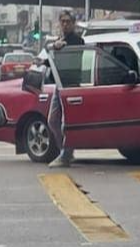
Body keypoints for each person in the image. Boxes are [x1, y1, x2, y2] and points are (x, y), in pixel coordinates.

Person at [48, 10, 85, 168]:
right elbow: (48, 52)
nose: (65, 24)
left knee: (66, 123)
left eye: (68, 21)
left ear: (73, 24)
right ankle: (64, 150)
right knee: (52, 120)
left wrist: (61, 47)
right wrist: (53, 46)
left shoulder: (77, 40)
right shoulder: (58, 41)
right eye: (62, 21)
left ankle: (66, 155)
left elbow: (76, 51)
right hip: (58, 84)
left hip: (71, 85)